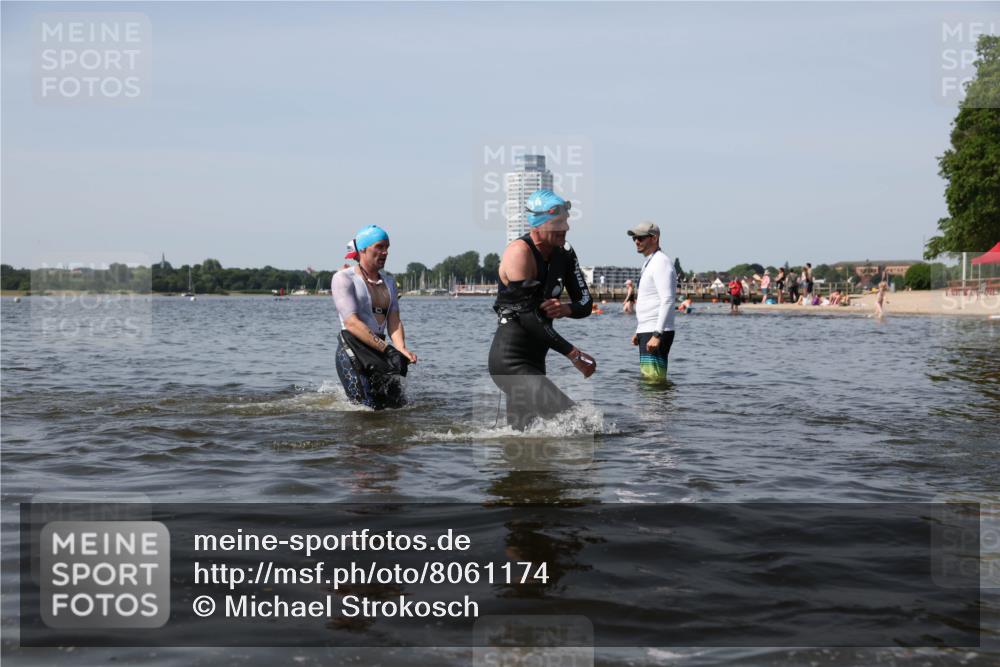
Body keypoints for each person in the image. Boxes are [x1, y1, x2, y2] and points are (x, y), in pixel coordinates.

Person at [488, 189, 596, 430]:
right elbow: (528, 317)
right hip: (510, 362)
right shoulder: (519, 253)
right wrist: (573, 354)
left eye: (566, 221)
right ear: (537, 224)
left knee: (523, 437)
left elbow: (585, 304)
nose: (566, 227)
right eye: (558, 222)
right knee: (579, 425)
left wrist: (565, 308)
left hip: (537, 360)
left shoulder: (565, 254)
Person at [332, 225, 417, 409]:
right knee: (367, 409)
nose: (385, 252)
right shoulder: (343, 278)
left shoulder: (389, 281)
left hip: (379, 348)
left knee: (398, 406)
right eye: (379, 246)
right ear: (363, 249)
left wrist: (401, 348)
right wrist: (388, 350)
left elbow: (394, 320)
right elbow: (351, 323)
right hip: (352, 349)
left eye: (387, 247)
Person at [625, 222, 677, 382]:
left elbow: (667, 299)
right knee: (648, 379)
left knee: (653, 381)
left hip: (656, 331)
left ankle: (658, 408)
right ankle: (652, 408)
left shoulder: (661, 262)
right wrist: (639, 330)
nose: (636, 241)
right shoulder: (649, 262)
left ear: (654, 238)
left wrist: (657, 334)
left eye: (640, 238)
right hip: (647, 329)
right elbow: (649, 298)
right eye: (634, 238)